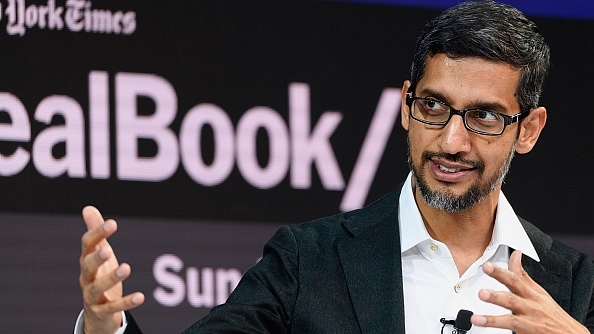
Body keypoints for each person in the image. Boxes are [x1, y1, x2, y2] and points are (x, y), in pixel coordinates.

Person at [75, 1, 594, 333]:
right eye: (434, 106)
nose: (451, 140)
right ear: (406, 103)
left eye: (482, 116)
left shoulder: (575, 286)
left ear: (528, 129)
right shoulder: (308, 260)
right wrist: (105, 328)